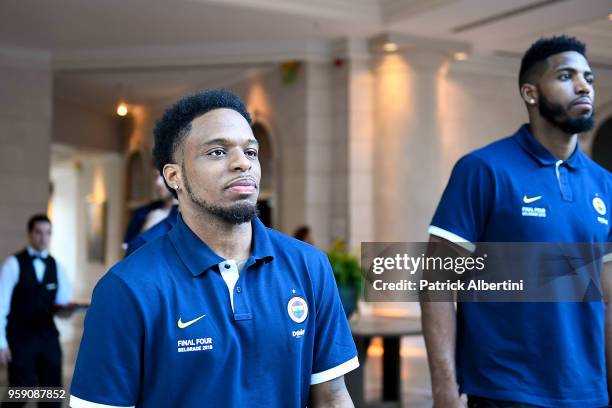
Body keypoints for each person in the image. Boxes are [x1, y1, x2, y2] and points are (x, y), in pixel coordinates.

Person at [70, 89, 358, 407]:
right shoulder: (127, 288)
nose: (241, 164)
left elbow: (332, 397)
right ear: (174, 176)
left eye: (251, 152)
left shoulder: (309, 266)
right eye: (218, 152)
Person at [421, 36, 611, 407]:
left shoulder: (605, 184)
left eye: (588, 77)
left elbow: (609, 300)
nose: (584, 85)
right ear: (530, 92)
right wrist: (445, 393)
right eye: (566, 76)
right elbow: (437, 285)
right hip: (504, 392)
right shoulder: (483, 170)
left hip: (588, 394)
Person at [0, 214, 72, 407]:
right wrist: (1, 342)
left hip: (48, 336)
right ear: (30, 234)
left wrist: (67, 311)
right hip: (20, 337)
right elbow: (1, 305)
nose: (43, 237)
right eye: (39, 232)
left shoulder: (56, 266)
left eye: (48, 233)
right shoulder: (13, 264)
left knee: (52, 393)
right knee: (20, 392)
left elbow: (62, 304)